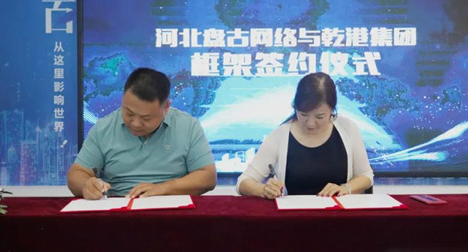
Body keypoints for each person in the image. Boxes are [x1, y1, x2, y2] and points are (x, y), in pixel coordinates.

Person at [67, 68, 216, 199]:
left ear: (166, 107)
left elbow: (207, 176)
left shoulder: (188, 126)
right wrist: (86, 185)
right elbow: (77, 174)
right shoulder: (104, 127)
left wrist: (163, 188)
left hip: (172, 207)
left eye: (146, 118)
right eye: (129, 113)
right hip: (120, 207)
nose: (135, 123)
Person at [237, 72, 373, 199]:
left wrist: (345, 188)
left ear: (332, 109)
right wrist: (263, 190)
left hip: (339, 213)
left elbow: (366, 176)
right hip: (294, 214)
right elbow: (243, 182)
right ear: (295, 107)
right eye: (303, 114)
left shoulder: (347, 129)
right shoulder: (280, 136)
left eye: (320, 116)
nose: (310, 124)